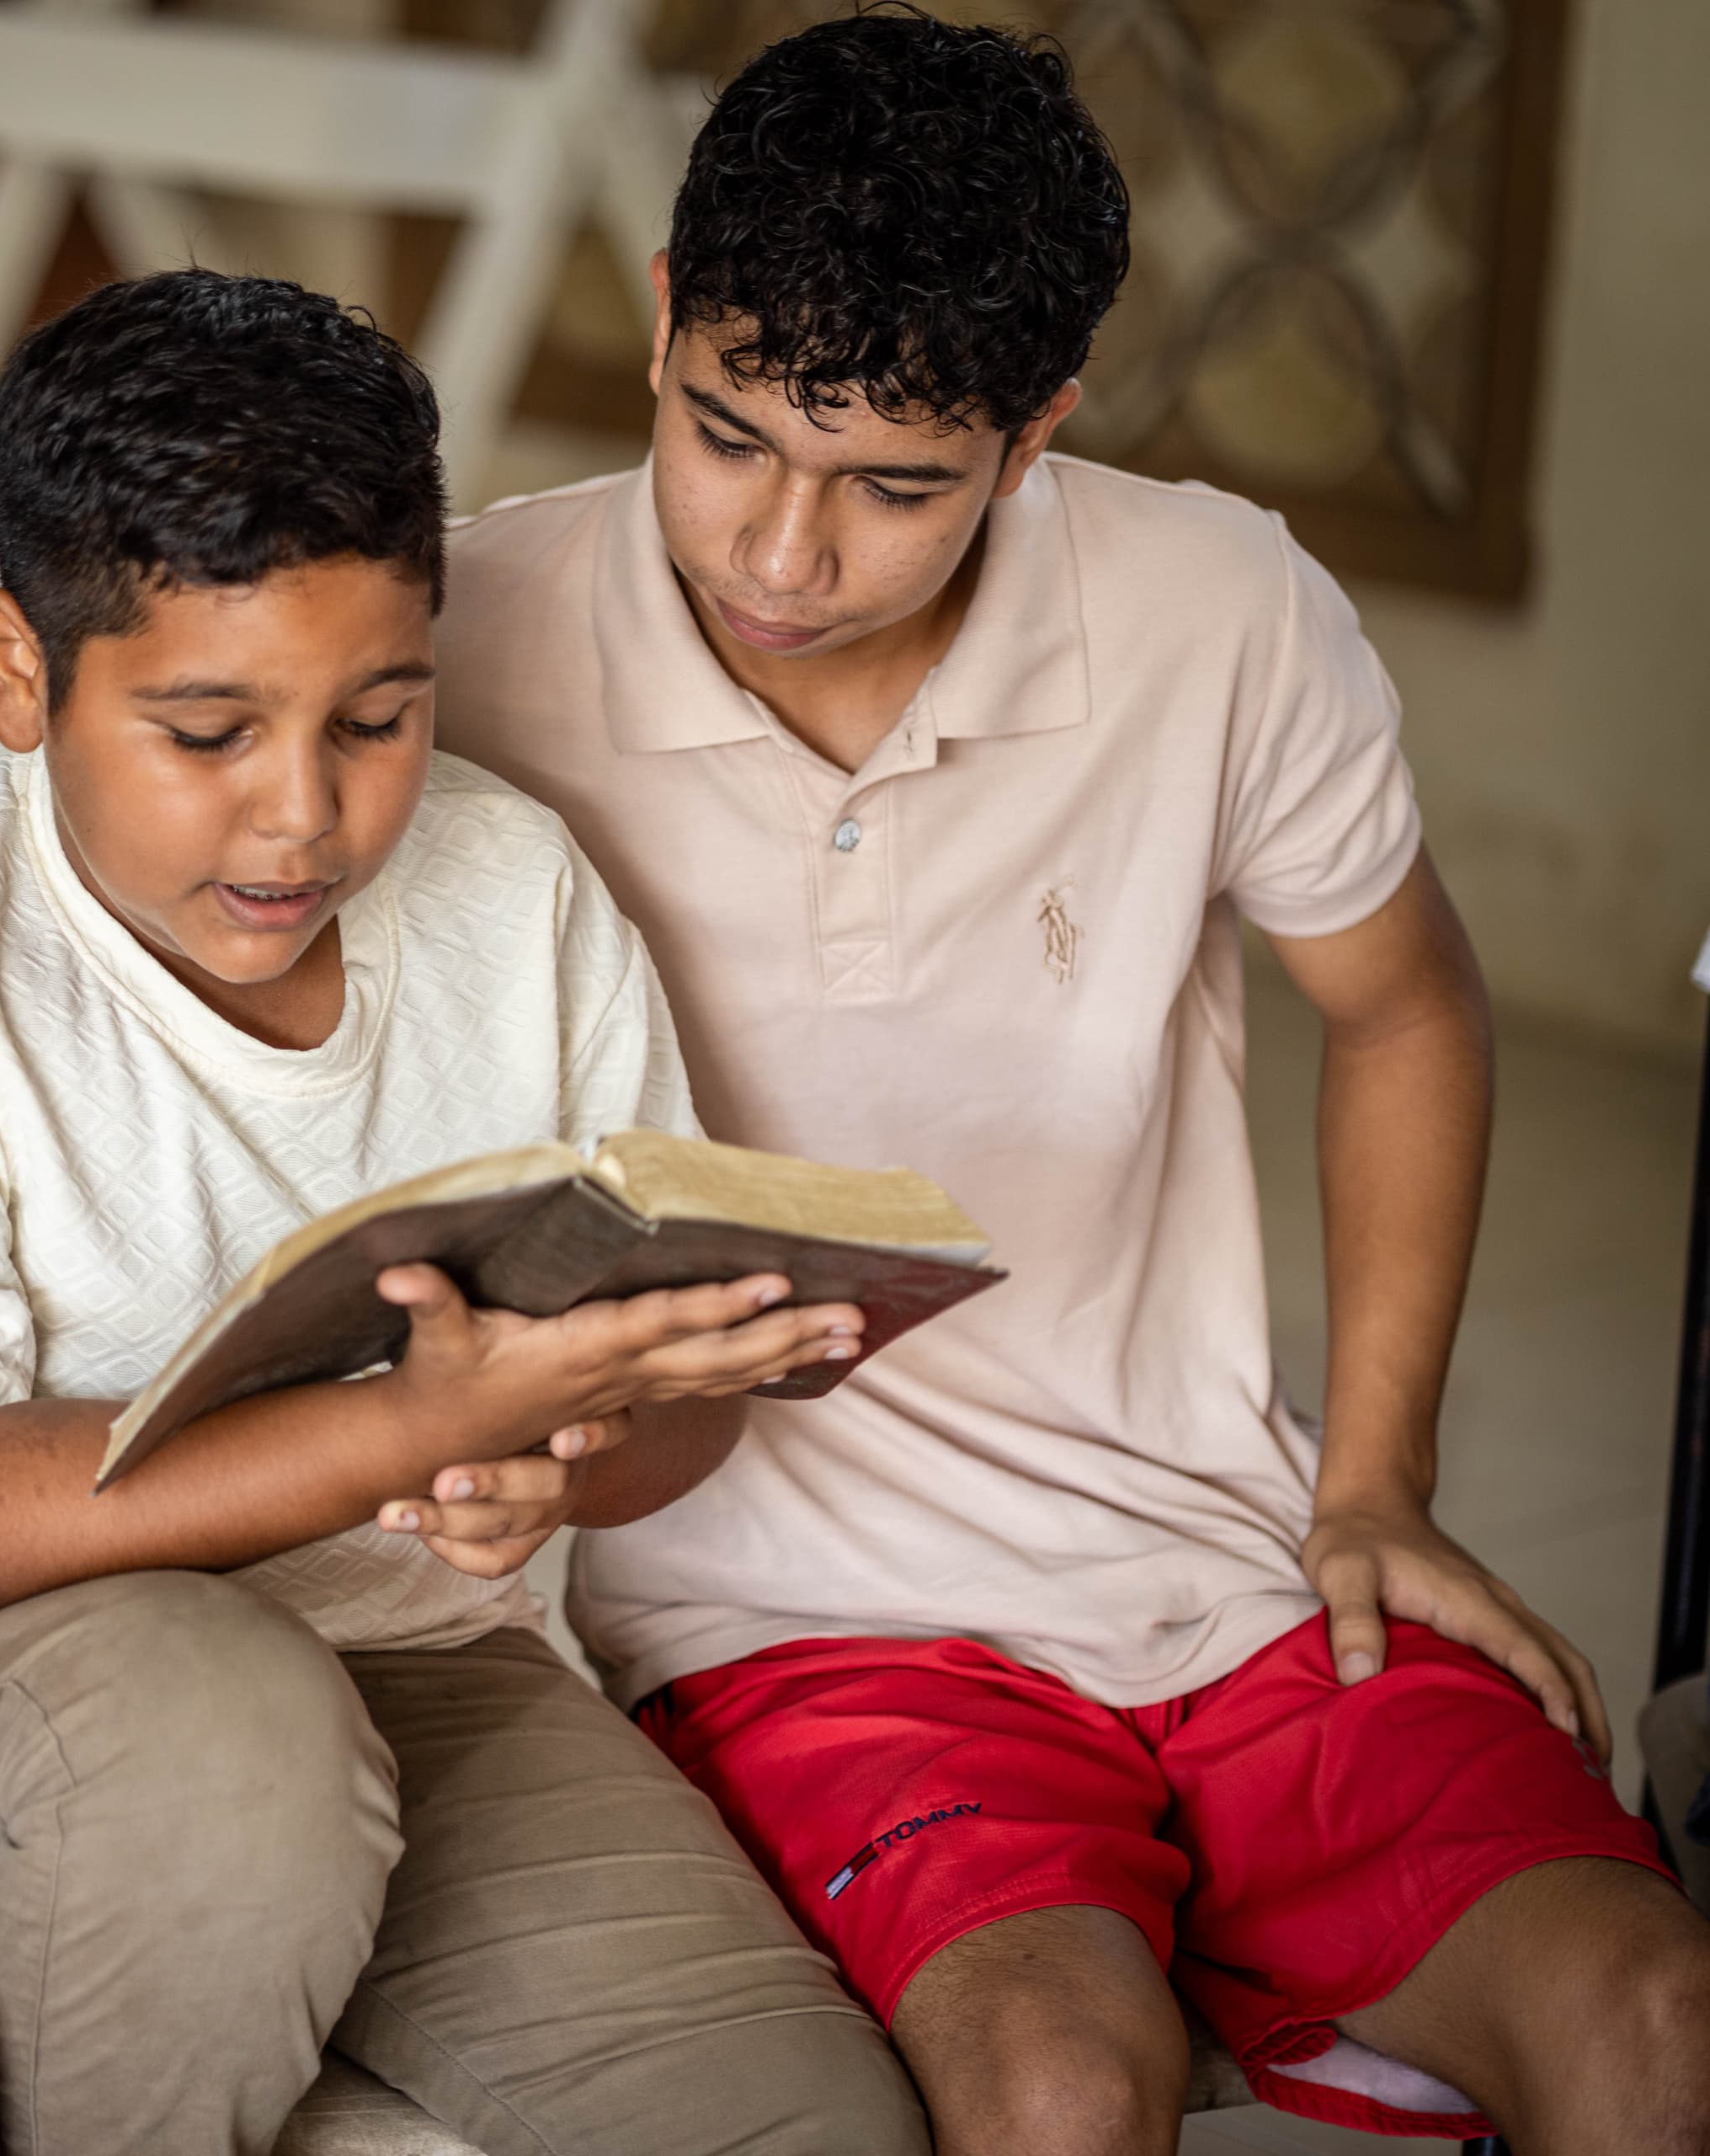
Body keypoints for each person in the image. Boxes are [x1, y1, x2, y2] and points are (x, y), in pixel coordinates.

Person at [432, 12, 1710, 2152]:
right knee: (1056, 2078)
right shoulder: (468, 634)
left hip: (1202, 1549)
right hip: (780, 1612)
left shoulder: (1220, 610)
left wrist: (1371, 1477)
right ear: (661, 325)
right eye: (731, 432)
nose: (780, 554)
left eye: (894, 486)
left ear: (1040, 437)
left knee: (1662, 2012)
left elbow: (1405, 1004)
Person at [0, 268, 927, 2156]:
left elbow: (678, 1393)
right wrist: (402, 1427)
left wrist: (561, 1452)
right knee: (230, 1734)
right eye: (209, 731)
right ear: (16, 667)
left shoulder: (518, 890)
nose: (303, 819)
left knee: (809, 2129)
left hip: (415, 1653)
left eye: (377, 717)